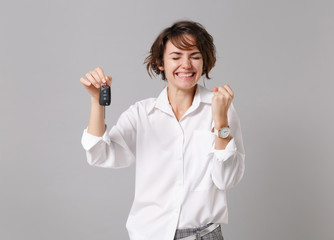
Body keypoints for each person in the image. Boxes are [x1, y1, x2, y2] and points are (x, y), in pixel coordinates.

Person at [80, 20, 245, 240]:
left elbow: (227, 179)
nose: (185, 65)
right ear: (160, 63)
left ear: (204, 63)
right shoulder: (142, 114)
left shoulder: (221, 107)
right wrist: (96, 102)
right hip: (150, 234)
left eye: (194, 56)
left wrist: (221, 123)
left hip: (203, 235)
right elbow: (99, 154)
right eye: (176, 57)